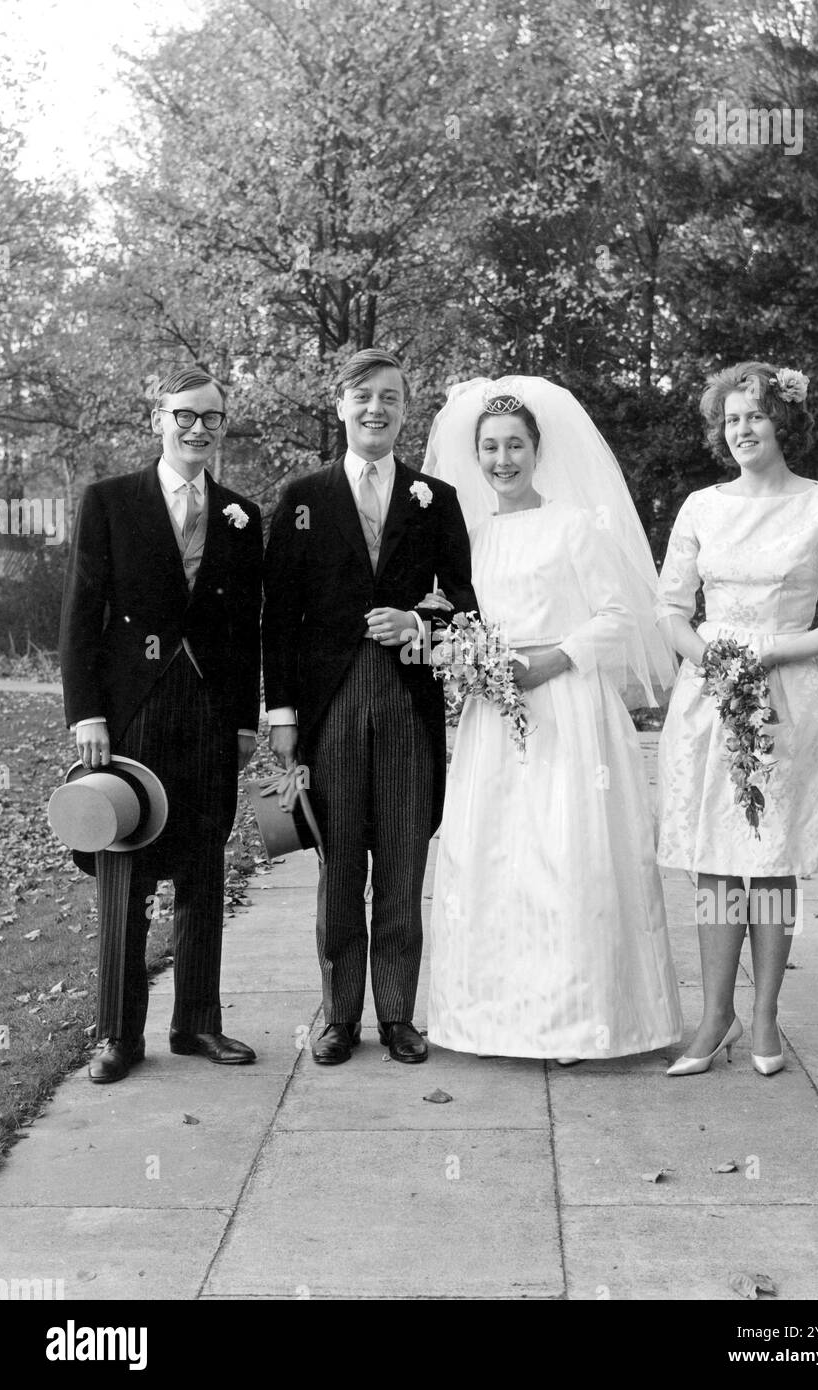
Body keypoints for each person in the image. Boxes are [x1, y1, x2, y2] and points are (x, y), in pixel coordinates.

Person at [421, 376, 683, 1063]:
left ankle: (573, 1021)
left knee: (566, 855)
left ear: (537, 450)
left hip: (567, 709)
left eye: (514, 446)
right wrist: (468, 663)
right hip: (494, 714)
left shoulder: (574, 525)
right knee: (493, 858)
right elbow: (454, 621)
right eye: (490, 448)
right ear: (475, 456)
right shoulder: (471, 536)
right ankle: (492, 1019)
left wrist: (554, 660)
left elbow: (617, 617)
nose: (502, 459)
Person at [656, 362, 818, 1077]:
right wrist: (710, 664)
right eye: (730, 420)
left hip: (791, 691)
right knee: (716, 857)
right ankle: (714, 1015)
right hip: (713, 693)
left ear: (783, 421)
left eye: (753, 415)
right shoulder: (701, 506)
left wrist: (777, 653)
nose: (741, 430)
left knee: (773, 857)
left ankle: (764, 1015)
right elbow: (669, 609)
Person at [262, 348, 477, 1066]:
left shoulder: (435, 499)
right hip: (327, 709)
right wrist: (282, 712)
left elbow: (468, 612)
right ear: (340, 406)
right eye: (363, 398)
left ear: (404, 411)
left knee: (402, 866)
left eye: (389, 398)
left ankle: (396, 1016)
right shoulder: (301, 497)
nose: (375, 410)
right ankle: (336, 1017)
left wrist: (419, 626)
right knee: (337, 867)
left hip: (407, 704)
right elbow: (277, 617)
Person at [60, 366, 263, 1083]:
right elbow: (82, 615)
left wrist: (244, 722)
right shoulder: (109, 502)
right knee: (126, 867)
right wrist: (87, 711)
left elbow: (244, 631)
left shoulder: (242, 515)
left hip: (209, 714)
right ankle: (120, 1033)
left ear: (222, 425)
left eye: (210, 416)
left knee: (203, 868)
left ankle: (197, 1023)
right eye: (184, 415)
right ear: (159, 419)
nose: (197, 428)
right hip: (131, 712)